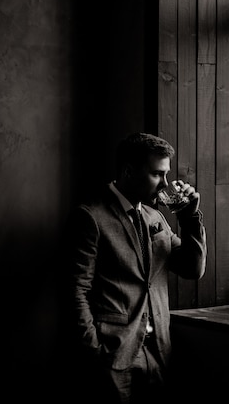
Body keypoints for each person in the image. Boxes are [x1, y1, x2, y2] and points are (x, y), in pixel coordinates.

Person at [62, 132, 207, 404]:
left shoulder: (156, 217)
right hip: (113, 355)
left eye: (166, 175)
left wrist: (189, 218)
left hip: (159, 352)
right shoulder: (91, 216)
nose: (165, 184)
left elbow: (192, 268)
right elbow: (74, 290)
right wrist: (94, 350)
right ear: (129, 171)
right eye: (157, 175)